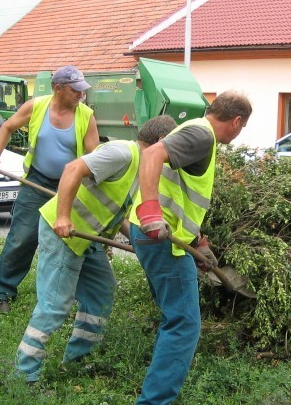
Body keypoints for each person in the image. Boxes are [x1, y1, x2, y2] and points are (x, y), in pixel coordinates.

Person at [15, 115, 178, 384]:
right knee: (55, 304)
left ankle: (78, 360)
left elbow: (119, 215)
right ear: (161, 142)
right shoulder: (122, 153)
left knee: (101, 293)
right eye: (172, 150)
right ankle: (24, 375)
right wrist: (63, 217)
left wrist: (142, 244)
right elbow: (72, 170)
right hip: (64, 233)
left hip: (88, 238)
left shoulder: (143, 168)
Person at [129, 91, 252, 405]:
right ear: (236, 122)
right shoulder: (203, 135)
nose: (237, 134)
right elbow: (151, 155)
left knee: (174, 315)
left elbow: (178, 190)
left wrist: (199, 242)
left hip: (160, 235)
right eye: (241, 128)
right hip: (159, 237)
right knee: (184, 323)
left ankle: (154, 390)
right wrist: (151, 210)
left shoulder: (195, 130)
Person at [0, 65, 99, 313]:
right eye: (75, 90)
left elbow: (94, 155)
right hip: (36, 183)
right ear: (58, 89)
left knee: (74, 242)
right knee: (21, 239)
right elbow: (6, 127)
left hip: (70, 188)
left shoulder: (86, 115)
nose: (81, 95)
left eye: (82, 90)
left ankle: (77, 297)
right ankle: (2, 292)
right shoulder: (37, 107)